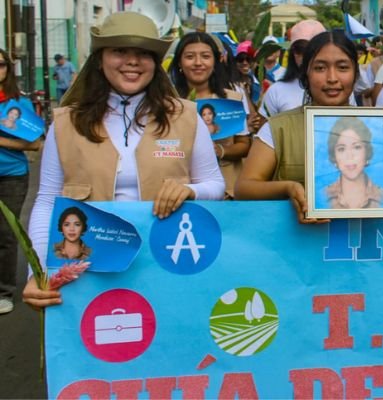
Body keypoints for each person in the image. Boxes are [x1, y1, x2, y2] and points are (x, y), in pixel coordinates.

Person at [23, 12, 225, 310]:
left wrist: (191, 191)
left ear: (155, 63)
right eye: (119, 50)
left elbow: (216, 185)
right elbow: (46, 201)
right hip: (87, 273)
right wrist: (37, 272)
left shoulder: (186, 116)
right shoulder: (66, 123)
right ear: (100, 57)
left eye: (143, 53)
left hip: (166, 263)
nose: (132, 61)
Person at [236, 30, 383, 223]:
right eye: (320, 68)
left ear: (355, 74)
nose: (332, 78)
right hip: (297, 247)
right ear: (306, 74)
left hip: (361, 245)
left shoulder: (377, 126)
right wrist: (288, 188)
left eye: (342, 67)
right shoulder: (279, 128)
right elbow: (243, 188)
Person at [169, 32, 252, 199]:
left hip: (226, 194)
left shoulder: (232, 100)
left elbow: (244, 145)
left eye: (205, 56)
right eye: (190, 57)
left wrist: (220, 150)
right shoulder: (168, 102)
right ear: (179, 62)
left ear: (216, 61)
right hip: (178, 192)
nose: (198, 63)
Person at [0, 48, 42, 315]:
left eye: (0, 64)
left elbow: (35, 144)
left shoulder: (18, 105)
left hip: (11, 176)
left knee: (5, 233)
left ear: (7, 69)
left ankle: (4, 291)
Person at [259, 20, 327, 118]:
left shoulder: (339, 90)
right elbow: (265, 129)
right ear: (292, 53)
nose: (306, 56)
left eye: (312, 50)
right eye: (300, 49)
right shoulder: (276, 91)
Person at [324, 116, 383, 209]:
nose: (350, 156)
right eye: (341, 149)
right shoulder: (324, 196)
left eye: (357, 147)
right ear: (334, 156)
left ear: (367, 152)